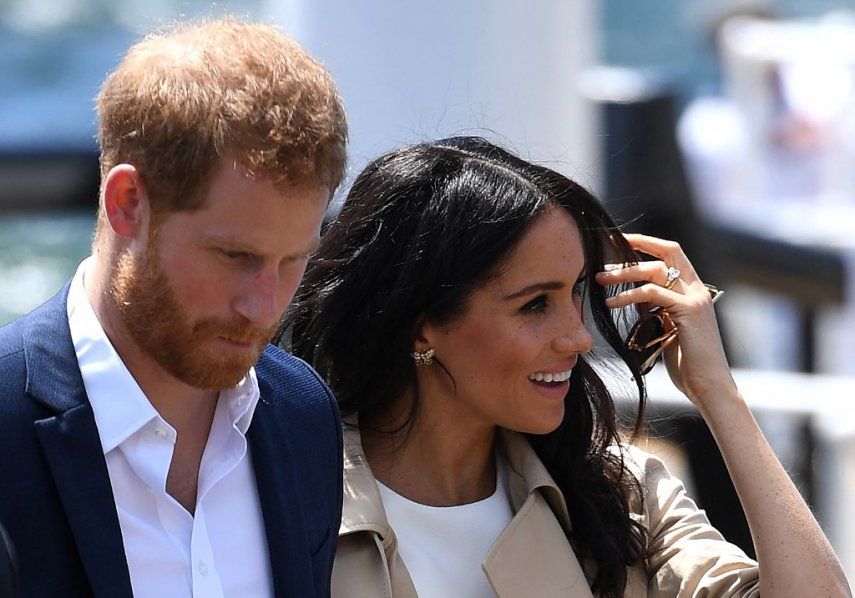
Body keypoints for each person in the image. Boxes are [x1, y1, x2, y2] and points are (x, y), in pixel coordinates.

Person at [284, 137, 850, 597]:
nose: (579, 337)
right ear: (421, 323)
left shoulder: (620, 498)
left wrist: (717, 392)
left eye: (577, 292)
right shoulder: (288, 491)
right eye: (535, 304)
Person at [0, 18, 347, 597]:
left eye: (293, 260)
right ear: (128, 203)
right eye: (234, 255)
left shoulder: (304, 416)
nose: (264, 307)